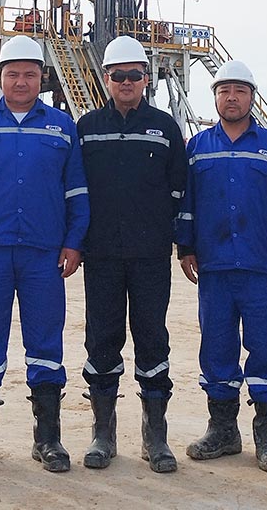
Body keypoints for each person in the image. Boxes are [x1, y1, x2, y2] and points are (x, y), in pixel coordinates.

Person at [0, 35, 89, 474]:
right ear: (1, 77)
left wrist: (74, 241)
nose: (21, 81)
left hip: (43, 255)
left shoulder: (62, 127)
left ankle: (48, 440)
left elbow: (77, 192)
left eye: (30, 74)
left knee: (45, 344)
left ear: (42, 78)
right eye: (13, 74)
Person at [176, 60, 267, 473]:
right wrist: (185, 246)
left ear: (252, 96)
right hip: (213, 267)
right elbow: (187, 202)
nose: (231, 98)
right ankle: (223, 431)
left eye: (240, 91)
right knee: (216, 346)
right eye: (224, 91)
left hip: (263, 268)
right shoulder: (198, 148)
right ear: (215, 97)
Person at [77, 35, 188, 473]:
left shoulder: (165, 128)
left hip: (150, 255)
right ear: (106, 78)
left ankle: (155, 437)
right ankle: (103, 434)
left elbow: (179, 187)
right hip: (101, 254)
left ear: (146, 78)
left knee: (152, 337)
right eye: (118, 75)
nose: (126, 82)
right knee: (102, 339)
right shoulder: (87, 128)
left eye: (134, 75)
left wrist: (164, 231)